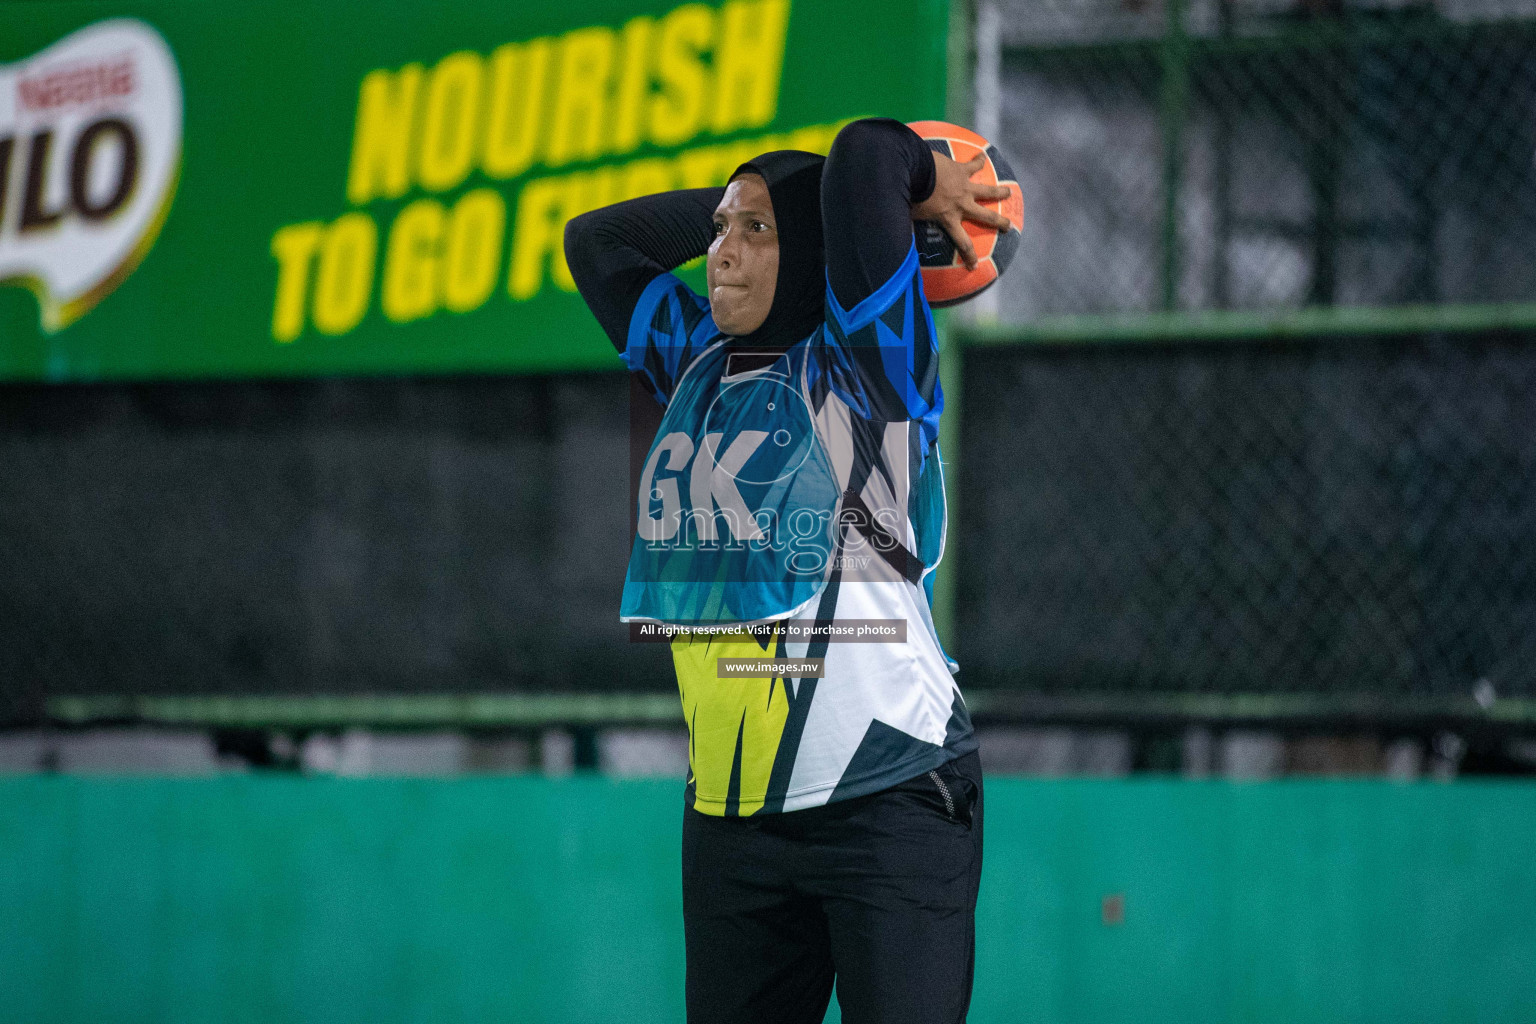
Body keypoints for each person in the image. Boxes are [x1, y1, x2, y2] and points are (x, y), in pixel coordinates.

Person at [565, 117, 1014, 1024]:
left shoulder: (869, 368)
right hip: (734, 823)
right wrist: (752, 204)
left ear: (812, 251)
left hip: (889, 800)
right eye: (719, 232)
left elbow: (864, 158)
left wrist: (918, 181)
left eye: (755, 234)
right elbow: (598, 239)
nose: (720, 254)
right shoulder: (694, 361)